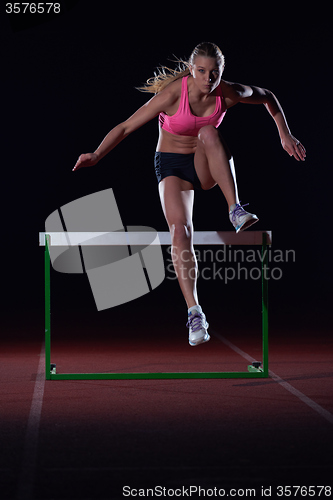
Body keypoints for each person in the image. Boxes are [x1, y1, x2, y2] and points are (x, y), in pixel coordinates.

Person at [73, 42, 306, 347]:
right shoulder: (172, 94)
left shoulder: (229, 92)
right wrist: (97, 155)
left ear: (221, 73)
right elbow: (127, 127)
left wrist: (284, 134)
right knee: (180, 232)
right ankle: (195, 313)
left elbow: (268, 97)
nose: (208, 79)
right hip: (171, 166)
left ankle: (234, 208)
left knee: (209, 132)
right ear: (192, 68)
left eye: (214, 73)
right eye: (201, 71)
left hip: (206, 164)